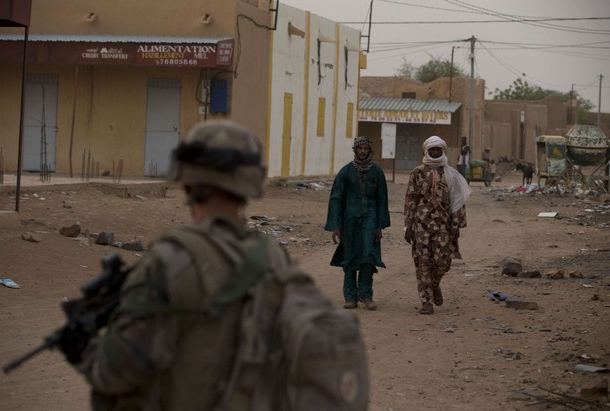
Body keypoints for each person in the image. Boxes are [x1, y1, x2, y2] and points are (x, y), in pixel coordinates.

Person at [55, 120, 314, 409]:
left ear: (188, 184)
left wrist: (84, 352)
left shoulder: (170, 261)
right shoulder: (276, 259)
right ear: (248, 185)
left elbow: (118, 373)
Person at [404, 136, 471, 315]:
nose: (435, 152)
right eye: (432, 149)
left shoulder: (450, 173)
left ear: (443, 151)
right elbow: (411, 199)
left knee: (444, 261)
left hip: (443, 224)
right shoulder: (417, 172)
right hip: (421, 225)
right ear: (426, 151)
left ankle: (434, 285)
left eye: (438, 150)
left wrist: (457, 224)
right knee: (422, 262)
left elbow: (458, 200)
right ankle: (426, 302)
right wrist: (408, 226)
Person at [325, 136, 390, 310]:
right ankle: (350, 296)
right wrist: (336, 225)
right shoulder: (345, 172)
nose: (362, 151)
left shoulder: (377, 172)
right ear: (355, 150)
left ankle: (366, 294)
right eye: (359, 148)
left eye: (365, 148)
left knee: (368, 255)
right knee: (350, 256)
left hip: (370, 217)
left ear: (370, 151)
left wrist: (379, 225)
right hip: (349, 220)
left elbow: (382, 199)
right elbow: (336, 198)